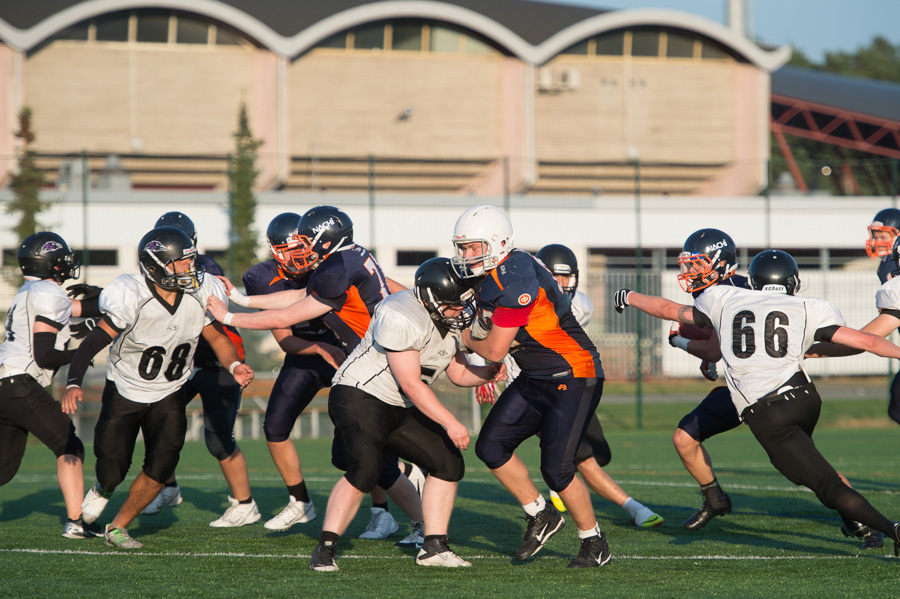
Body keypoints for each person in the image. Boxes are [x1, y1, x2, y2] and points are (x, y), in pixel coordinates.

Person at [615, 248, 900, 556]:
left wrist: (629, 296)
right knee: (817, 466)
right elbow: (868, 341)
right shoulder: (808, 306)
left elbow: (668, 309)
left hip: (768, 413)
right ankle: (858, 521)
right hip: (804, 396)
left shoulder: (723, 299)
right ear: (793, 282)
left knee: (826, 485)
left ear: (752, 281)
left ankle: (891, 529)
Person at [208, 206, 425, 544]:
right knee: (353, 454)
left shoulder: (337, 266)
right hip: (367, 361)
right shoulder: (348, 258)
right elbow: (299, 297)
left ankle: (416, 501)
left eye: (308, 242)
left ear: (326, 240)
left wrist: (232, 316)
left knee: (373, 455)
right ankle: (412, 481)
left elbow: (291, 312)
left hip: (375, 365)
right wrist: (241, 298)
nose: (303, 250)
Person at [62, 226, 254, 549]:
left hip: (170, 392)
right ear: (156, 267)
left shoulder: (198, 291)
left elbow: (218, 338)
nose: (190, 268)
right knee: (113, 469)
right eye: (181, 263)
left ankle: (118, 527)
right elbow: (94, 340)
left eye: (190, 260)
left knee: (163, 465)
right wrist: (73, 382)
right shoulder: (131, 294)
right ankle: (104, 489)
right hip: (124, 390)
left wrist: (234, 365)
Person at [310, 258, 501, 571]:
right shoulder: (401, 312)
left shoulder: (449, 318)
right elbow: (411, 384)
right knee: (366, 469)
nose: (459, 311)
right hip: (360, 395)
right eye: (453, 305)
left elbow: (457, 372)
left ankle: (434, 547)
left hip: (399, 404)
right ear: (429, 299)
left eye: (462, 303)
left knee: (447, 462)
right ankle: (326, 548)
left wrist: (489, 371)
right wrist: (451, 422)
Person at [452, 205, 611, 568]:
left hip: (573, 374)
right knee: (491, 446)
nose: (466, 256)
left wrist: (461, 335)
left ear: (498, 242)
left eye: (473, 247)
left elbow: (494, 348)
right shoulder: (490, 272)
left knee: (557, 469)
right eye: (462, 248)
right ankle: (541, 514)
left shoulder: (516, 276)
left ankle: (594, 541)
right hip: (534, 375)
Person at [480, 243, 662, 528]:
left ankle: (560, 486)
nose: (561, 283)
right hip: (529, 386)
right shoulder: (520, 292)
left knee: (599, 454)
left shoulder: (582, 306)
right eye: (555, 276)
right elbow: (496, 335)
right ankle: (632, 509)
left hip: (569, 381)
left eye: (566, 277)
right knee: (578, 460)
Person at [140, 212, 260, 527]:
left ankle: (245, 504)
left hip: (218, 361)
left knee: (218, 438)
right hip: (182, 363)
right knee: (156, 423)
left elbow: (199, 317)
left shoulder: (205, 270)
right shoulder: (152, 272)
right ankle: (167, 488)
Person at [239, 212, 343, 531]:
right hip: (307, 352)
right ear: (274, 251)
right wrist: (319, 349)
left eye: (302, 247)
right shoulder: (260, 278)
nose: (299, 256)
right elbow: (285, 339)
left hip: (346, 350)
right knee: (275, 425)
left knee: (357, 429)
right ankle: (300, 502)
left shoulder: (332, 264)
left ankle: (382, 506)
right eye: (289, 249)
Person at [0, 232, 101, 539]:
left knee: (3, 468)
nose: (68, 263)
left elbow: (85, 310)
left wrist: (99, 295)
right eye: (63, 258)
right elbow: (44, 355)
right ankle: (76, 522)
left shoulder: (29, 291)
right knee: (69, 445)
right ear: (51, 263)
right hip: (20, 382)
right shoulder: (49, 294)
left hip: (6, 383)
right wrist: (82, 353)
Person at [865, 208, 900, 426]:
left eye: (883, 236)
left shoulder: (891, 266)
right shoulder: (885, 265)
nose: (877, 241)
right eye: (875, 236)